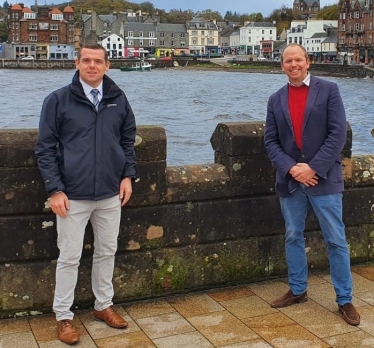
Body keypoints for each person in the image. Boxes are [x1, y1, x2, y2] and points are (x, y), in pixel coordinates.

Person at [35, 43, 136, 344]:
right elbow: (45, 149)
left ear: (107, 66)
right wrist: (55, 189)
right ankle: (63, 316)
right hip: (73, 194)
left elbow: (128, 139)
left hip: (109, 192)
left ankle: (103, 306)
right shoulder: (58, 100)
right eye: (86, 60)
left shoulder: (118, 99)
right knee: (69, 256)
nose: (92, 66)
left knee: (107, 251)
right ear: (76, 63)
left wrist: (128, 175)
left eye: (98, 61)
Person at [264, 43, 360, 326]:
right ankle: (297, 290)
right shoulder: (275, 99)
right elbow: (270, 141)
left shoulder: (328, 90)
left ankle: (345, 299)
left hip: (324, 179)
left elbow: (337, 134)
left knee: (336, 239)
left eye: (298, 59)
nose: (293, 64)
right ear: (282, 65)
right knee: (293, 235)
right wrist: (293, 168)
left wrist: (312, 168)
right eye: (287, 61)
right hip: (291, 181)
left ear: (308, 62)